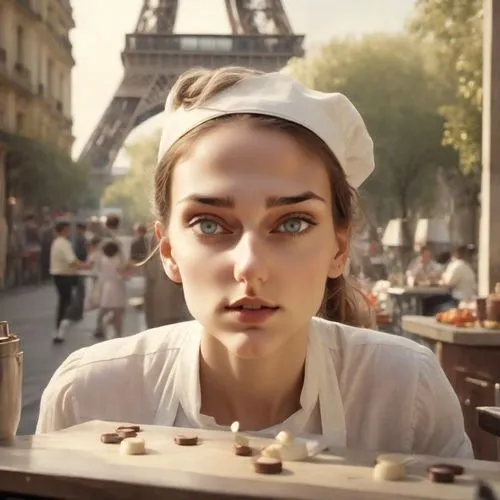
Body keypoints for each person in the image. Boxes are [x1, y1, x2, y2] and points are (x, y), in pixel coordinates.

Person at [36, 67, 472, 458]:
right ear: (167, 250)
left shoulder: (410, 393)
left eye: (293, 223)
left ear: (340, 247)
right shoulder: (86, 395)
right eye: (209, 225)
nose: (249, 266)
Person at [49, 220, 90, 343]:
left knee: (64, 302)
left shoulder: (57, 242)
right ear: (63, 230)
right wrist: (85, 266)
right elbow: (72, 260)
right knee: (67, 302)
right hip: (63, 275)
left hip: (59, 274)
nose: (69, 232)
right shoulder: (63, 243)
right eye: (67, 229)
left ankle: (59, 328)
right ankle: (60, 328)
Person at [94, 240, 128, 339]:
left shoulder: (103, 260)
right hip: (117, 287)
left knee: (103, 309)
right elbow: (122, 273)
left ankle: (99, 327)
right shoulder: (117, 260)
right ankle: (118, 333)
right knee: (118, 313)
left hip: (106, 286)